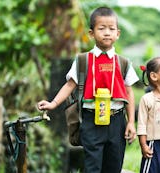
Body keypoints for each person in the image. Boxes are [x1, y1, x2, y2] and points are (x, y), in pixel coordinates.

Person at [37, 7, 138, 173]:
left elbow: (129, 93)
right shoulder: (83, 60)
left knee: (114, 166)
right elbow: (70, 85)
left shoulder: (124, 63)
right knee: (92, 167)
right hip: (91, 121)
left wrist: (130, 123)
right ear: (91, 33)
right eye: (101, 28)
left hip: (117, 121)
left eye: (111, 29)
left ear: (118, 34)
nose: (107, 33)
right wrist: (52, 104)